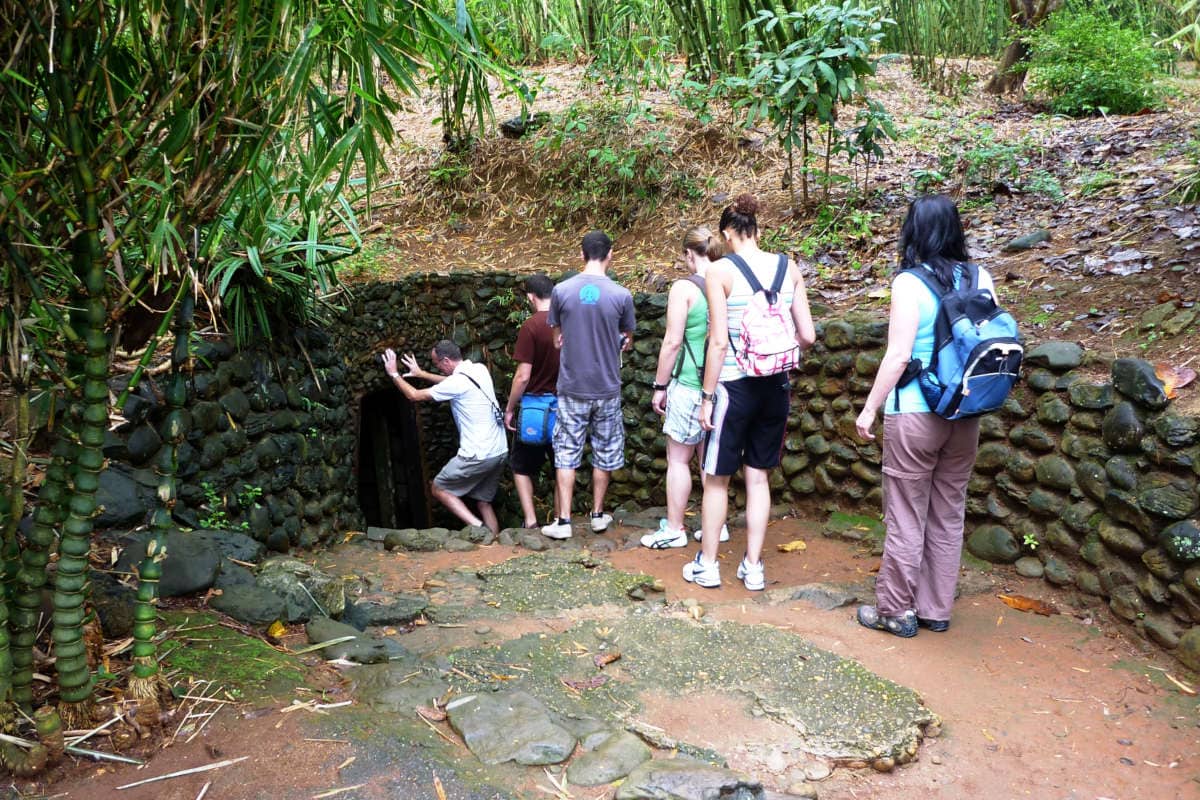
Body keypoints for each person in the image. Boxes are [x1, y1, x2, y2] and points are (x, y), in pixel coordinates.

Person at [853, 194, 991, 637]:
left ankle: (896, 609)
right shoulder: (980, 276)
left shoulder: (909, 284)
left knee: (907, 514)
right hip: (965, 412)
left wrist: (870, 408)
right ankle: (935, 608)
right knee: (948, 512)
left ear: (914, 231)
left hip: (915, 411)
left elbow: (897, 356)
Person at [688, 194, 816, 589]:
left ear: (728, 233)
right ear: (757, 229)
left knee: (716, 479)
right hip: (775, 386)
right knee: (758, 477)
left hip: (732, 388)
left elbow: (719, 342)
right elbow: (808, 336)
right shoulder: (788, 267)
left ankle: (708, 565)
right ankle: (754, 567)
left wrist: (706, 397)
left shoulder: (720, 272)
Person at [540, 230, 636, 540]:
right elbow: (627, 341)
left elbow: (556, 339)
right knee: (604, 451)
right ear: (610, 255)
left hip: (571, 387)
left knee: (567, 451)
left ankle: (564, 521)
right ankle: (597, 515)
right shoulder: (622, 295)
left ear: (581, 255)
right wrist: (616, 341)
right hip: (606, 386)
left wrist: (566, 338)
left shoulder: (562, 291)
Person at [640, 227, 730, 549]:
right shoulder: (729, 279)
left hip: (691, 383)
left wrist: (660, 385)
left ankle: (675, 528)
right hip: (722, 385)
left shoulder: (684, 288)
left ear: (689, 254)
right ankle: (715, 526)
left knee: (679, 459)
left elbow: (673, 341)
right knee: (711, 460)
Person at [382, 340, 507, 535]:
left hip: (478, 454)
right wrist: (421, 374)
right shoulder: (479, 370)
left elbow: (414, 395)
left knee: (439, 488)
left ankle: (478, 528)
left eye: (437, 364)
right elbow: (451, 384)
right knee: (483, 502)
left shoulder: (457, 382)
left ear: (446, 361)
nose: (437, 368)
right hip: (499, 451)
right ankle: (498, 543)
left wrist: (394, 374)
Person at [504, 274, 560, 529]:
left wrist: (509, 408)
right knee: (562, 465)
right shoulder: (566, 323)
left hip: (535, 409)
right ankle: (562, 518)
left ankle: (531, 521)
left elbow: (523, 375)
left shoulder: (531, 327)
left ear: (530, 296)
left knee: (522, 466)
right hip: (564, 406)